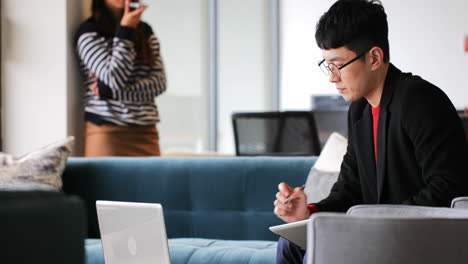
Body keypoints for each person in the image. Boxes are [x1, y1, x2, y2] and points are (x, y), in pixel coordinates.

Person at [273, 0, 468, 262]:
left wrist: (376, 220)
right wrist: (309, 211)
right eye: (326, 65)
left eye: (338, 64)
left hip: (420, 236)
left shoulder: (419, 99)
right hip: (379, 233)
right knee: (289, 246)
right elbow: (350, 189)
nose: (332, 76)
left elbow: (448, 187)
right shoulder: (359, 111)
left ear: (374, 57)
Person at [75, 0, 167, 157]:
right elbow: (114, 79)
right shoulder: (89, 33)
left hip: (146, 132)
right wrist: (125, 32)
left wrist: (110, 92)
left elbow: (159, 84)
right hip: (106, 131)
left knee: (152, 182)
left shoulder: (145, 32)